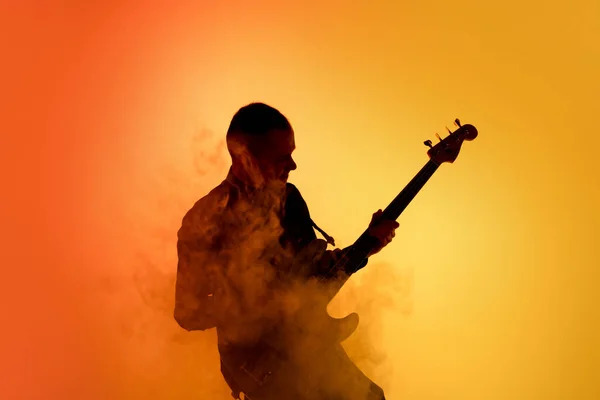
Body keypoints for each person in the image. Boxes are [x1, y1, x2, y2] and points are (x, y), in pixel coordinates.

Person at [174, 103, 399, 400]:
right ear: (246, 158)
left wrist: (366, 245)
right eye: (282, 158)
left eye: (292, 155)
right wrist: (248, 301)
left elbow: (313, 275)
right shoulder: (205, 219)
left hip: (307, 342)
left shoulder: (289, 200)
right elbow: (187, 313)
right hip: (263, 367)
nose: (292, 166)